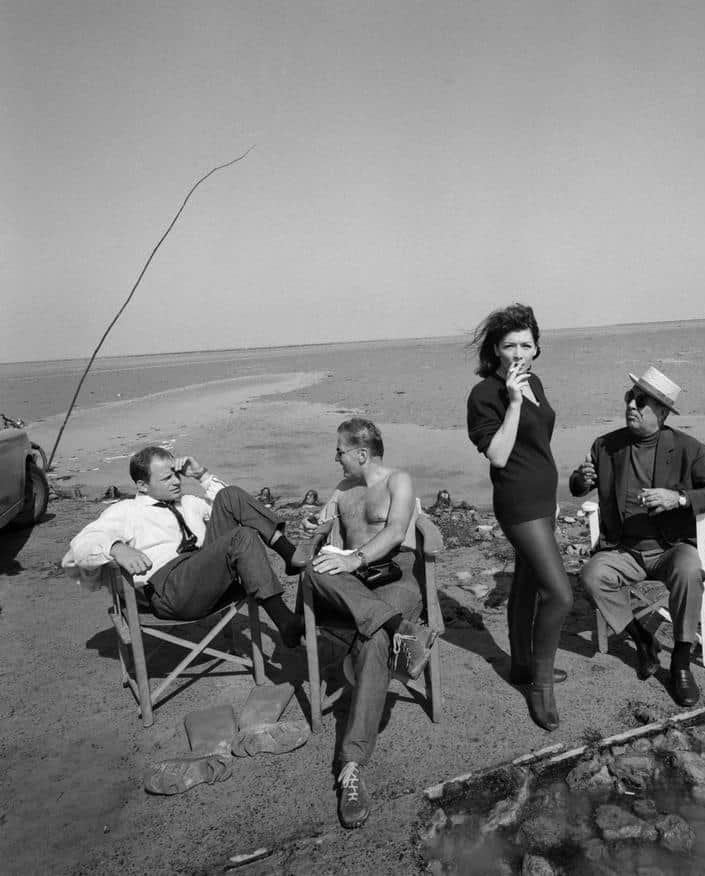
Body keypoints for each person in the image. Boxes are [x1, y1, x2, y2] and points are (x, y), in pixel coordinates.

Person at [570, 366, 705, 707]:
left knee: (690, 571)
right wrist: (582, 478)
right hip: (624, 550)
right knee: (590, 575)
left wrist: (680, 498)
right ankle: (642, 638)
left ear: (661, 412)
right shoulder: (606, 446)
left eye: (641, 401)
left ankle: (681, 661)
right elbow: (576, 486)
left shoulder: (688, 449)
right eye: (630, 397)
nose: (631, 404)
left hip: (670, 548)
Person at [300, 418, 437, 830]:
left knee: (372, 641)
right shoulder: (341, 491)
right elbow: (323, 536)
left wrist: (352, 558)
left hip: (395, 573)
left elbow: (396, 532)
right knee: (312, 572)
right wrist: (314, 530)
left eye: (339, 451)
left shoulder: (399, 480)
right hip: (355, 584)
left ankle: (352, 766)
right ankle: (399, 628)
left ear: (360, 453)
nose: (335, 458)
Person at [63, 446, 303, 646]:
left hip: (203, 574)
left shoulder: (188, 502)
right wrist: (116, 547)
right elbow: (79, 547)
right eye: (166, 478)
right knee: (241, 537)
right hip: (171, 589)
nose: (176, 482)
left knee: (230, 496)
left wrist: (202, 476)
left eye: (176, 474)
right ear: (142, 485)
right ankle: (284, 620)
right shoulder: (126, 511)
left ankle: (288, 553)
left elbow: (239, 508)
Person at [466, 303, 573, 732]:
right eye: (509, 345)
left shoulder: (536, 382)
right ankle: (541, 688)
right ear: (495, 349)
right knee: (561, 594)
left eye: (526, 344)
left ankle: (523, 666)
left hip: (543, 500)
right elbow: (497, 453)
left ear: (537, 349)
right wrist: (511, 401)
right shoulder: (485, 394)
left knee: (527, 586)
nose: (518, 352)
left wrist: (553, 493)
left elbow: (538, 444)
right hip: (518, 504)